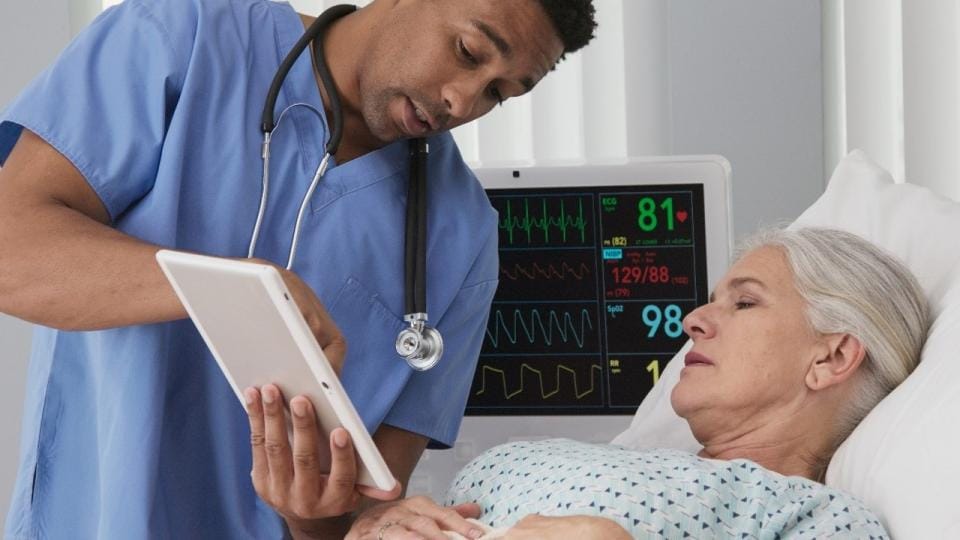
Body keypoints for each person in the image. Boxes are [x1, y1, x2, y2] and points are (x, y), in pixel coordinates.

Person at [0, 0, 597, 538]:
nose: (462, 102)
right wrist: (245, 291)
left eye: (499, 93)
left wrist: (314, 518)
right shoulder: (179, 38)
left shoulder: (462, 236)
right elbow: (12, 252)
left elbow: (363, 519)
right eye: (467, 52)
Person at [428, 227, 927, 539]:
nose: (693, 320)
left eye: (745, 303)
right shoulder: (634, 460)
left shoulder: (817, 519)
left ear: (832, 357)